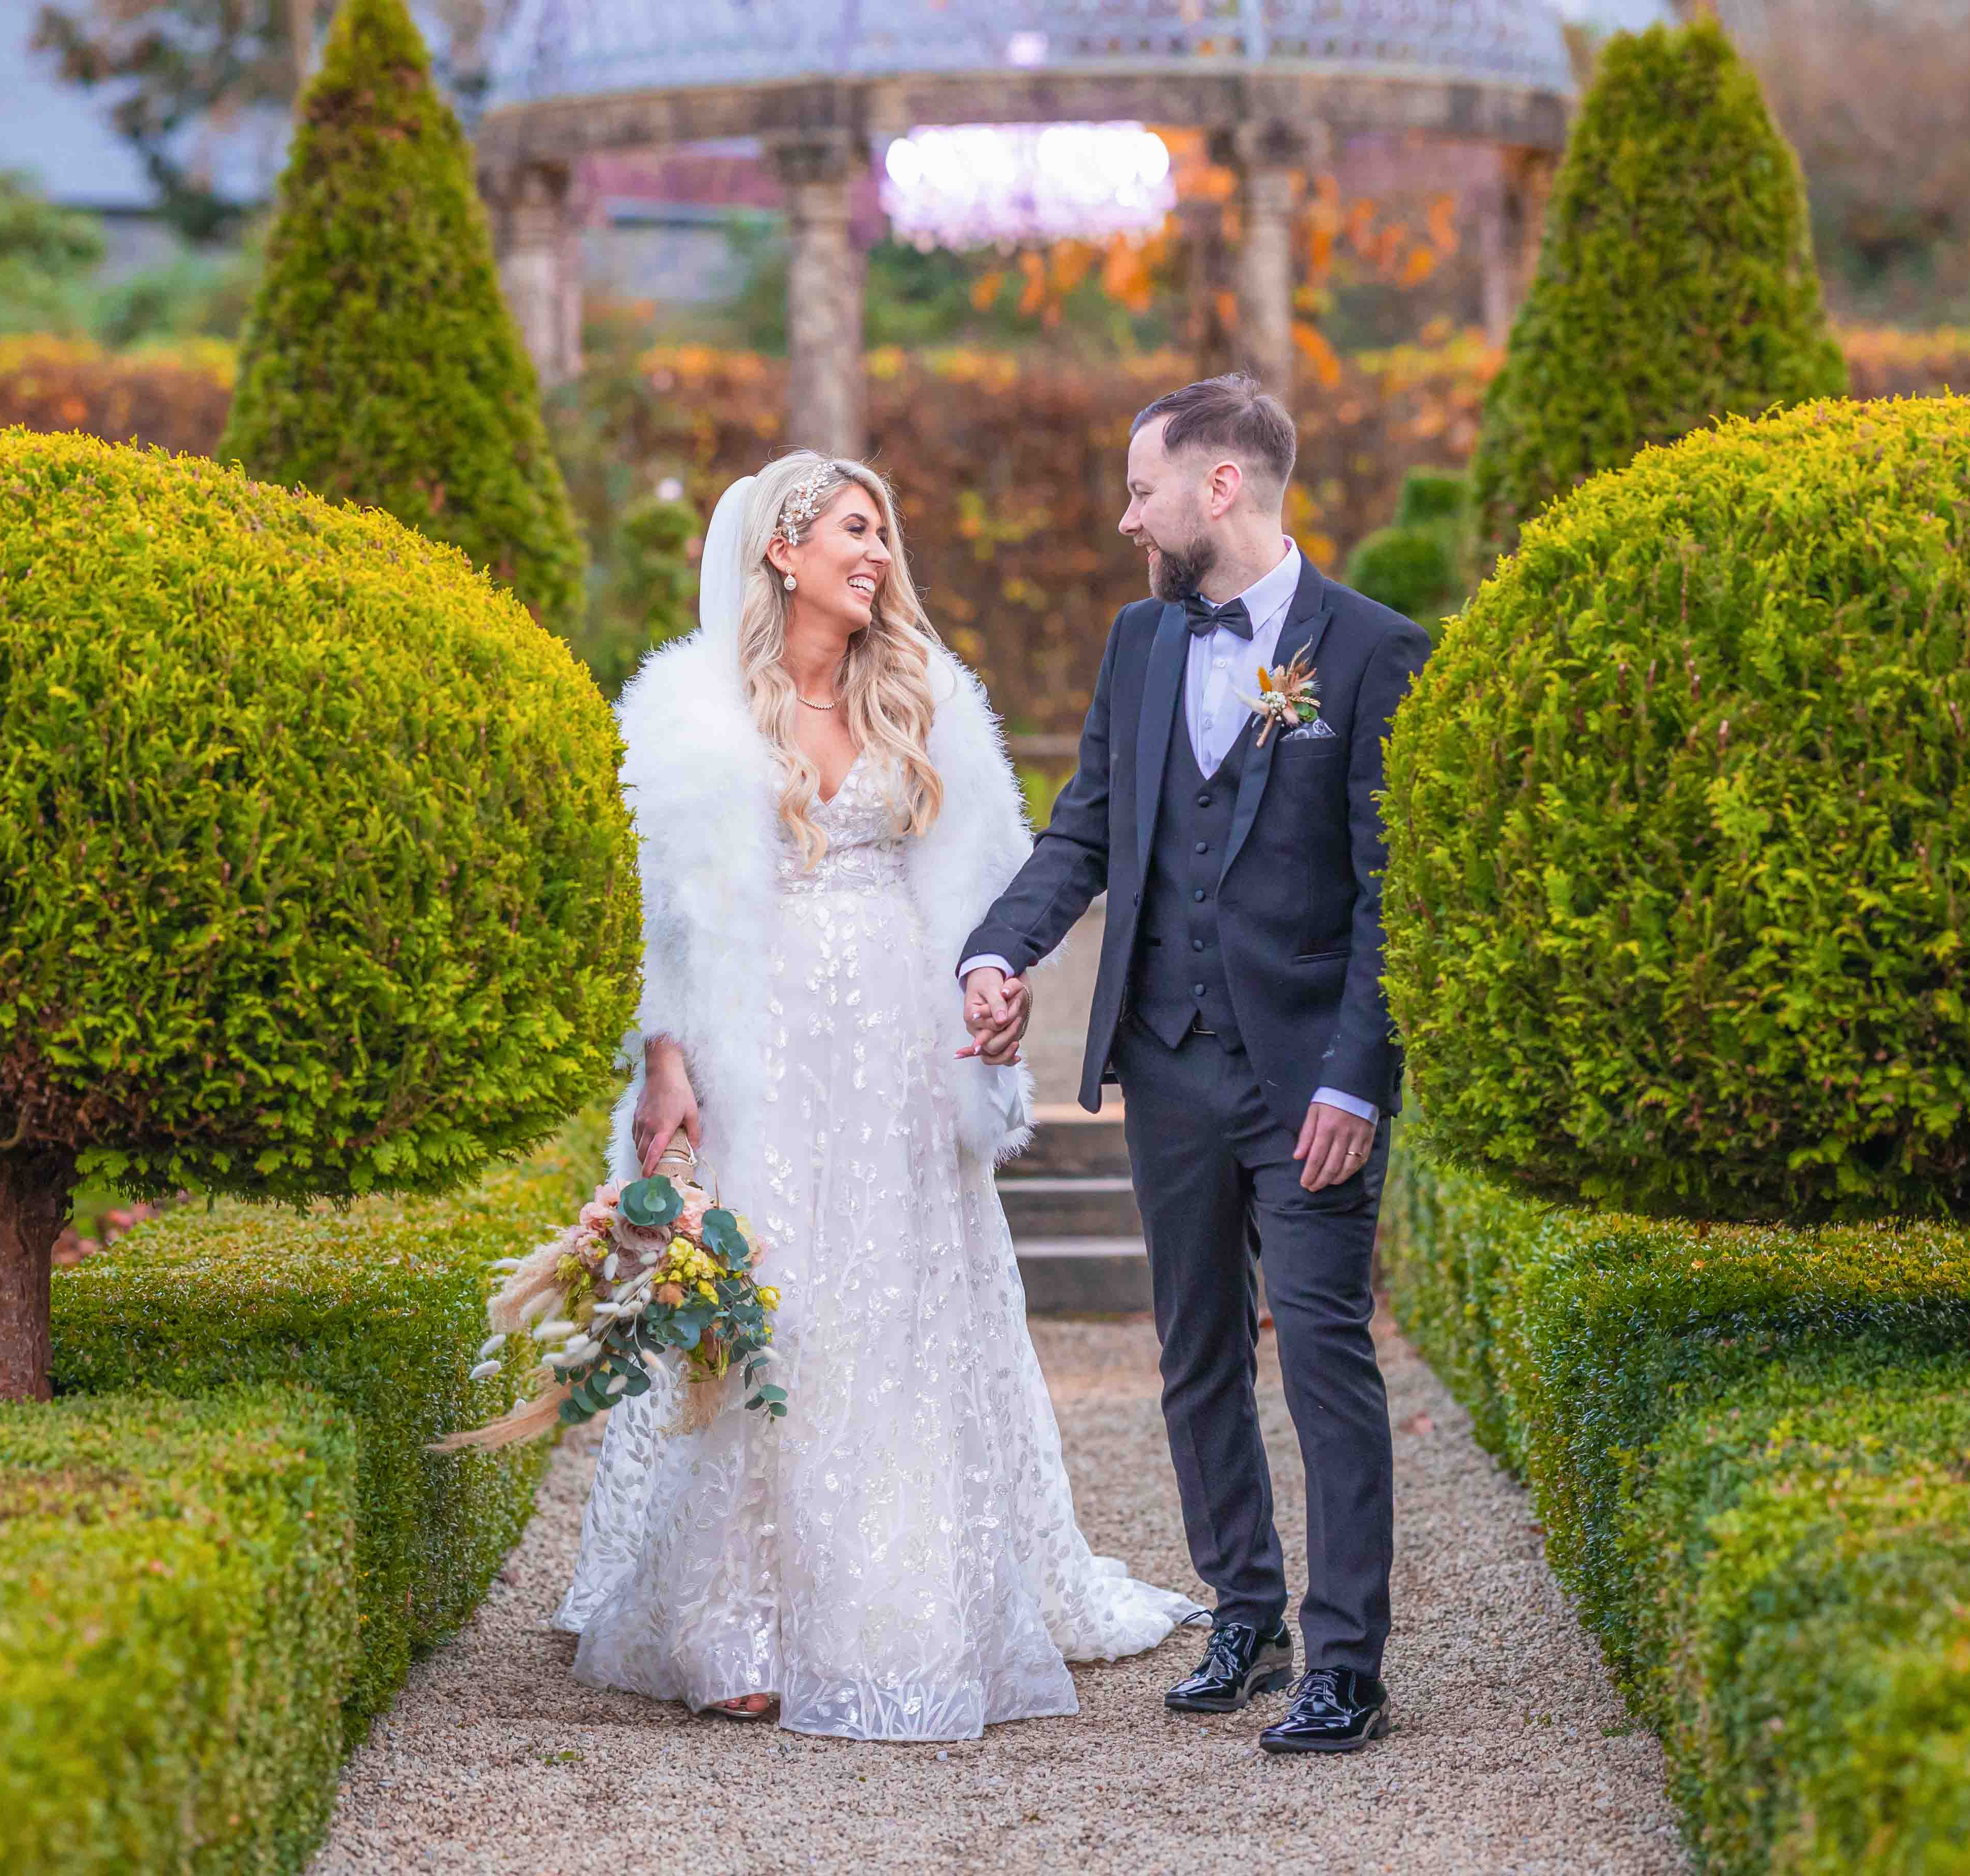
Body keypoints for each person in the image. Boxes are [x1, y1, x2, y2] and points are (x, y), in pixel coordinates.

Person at [552, 449, 1200, 1740]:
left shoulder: (923, 696)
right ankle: (735, 1622)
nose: (879, 555)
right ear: (783, 548)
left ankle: (907, 1607)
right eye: (856, 530)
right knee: (774, 1297)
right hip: (762, 1043)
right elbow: (660, 911)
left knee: (900, 1300)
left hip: (904, 1044)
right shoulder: (691, 712)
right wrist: (666, 1059)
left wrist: (996, 992)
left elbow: (991, 881)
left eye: (884, 535)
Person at [959, 375, 1432, 1755]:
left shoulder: (1374, 649)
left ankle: (1347, 1663)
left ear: (1219, 487)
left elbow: (1392, 891)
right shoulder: (1141, 641)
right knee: (1196, 1350)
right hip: (1169, 1064)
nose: (1127, 521)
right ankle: (1247, 1610)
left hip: (1309, 1083)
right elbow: (1085, 829)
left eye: (1142, 491)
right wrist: (997, 951)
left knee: (1325, 1355)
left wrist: (1356, 1079)